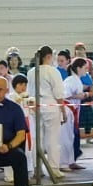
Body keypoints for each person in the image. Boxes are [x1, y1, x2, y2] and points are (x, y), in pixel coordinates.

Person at [28, 45, 68, 176]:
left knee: (36, 139)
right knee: (52, 139)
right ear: (49, 57)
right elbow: (58, 94)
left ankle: (37, 168)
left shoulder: (31, 72)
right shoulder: (53, 71)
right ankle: (54, 169)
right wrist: (63, 111)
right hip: (51, 106)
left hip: (35, 107)